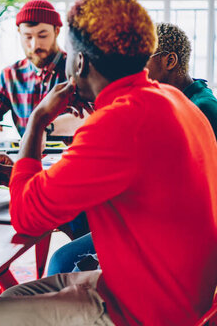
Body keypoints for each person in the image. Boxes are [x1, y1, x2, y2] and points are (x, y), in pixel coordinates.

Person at [0, 0, 217, 325]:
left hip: (143, 310)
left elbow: (26, 217)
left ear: (81, 63)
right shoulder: (173, 98)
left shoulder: (118, 122)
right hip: (175, 292)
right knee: (12, 296)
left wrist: (37, 123)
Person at [47, 21, 217, 276]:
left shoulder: (199, 108)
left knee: (62, 259)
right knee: (78, 214)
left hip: (174, 233)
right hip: (159, 220)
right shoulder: (177, 99)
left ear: (169, 60)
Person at [0, 0, 84, 138]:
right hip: (27, 157)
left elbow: (91, 116)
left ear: (57, 31)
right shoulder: (10, 75)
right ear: (19, 32)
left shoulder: (78, 70)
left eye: (42, 36)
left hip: (71, 156)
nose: (35, 45)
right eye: (28, 37)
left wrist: (45, 128)